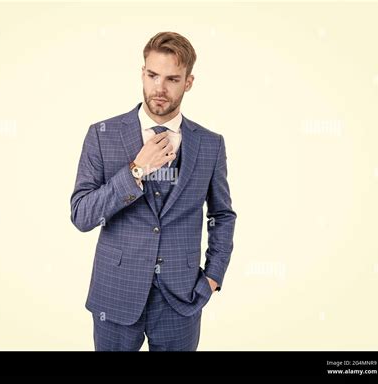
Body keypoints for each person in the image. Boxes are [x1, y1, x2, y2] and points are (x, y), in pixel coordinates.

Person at [70, 31, 236, 351]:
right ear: (142, 73)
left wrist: (213, 277)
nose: (159, 88)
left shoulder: (210, 144)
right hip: (114, 296)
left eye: (172, 79)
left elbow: (222, 214)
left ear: (188, 82)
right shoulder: (102, 135)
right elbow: (81, 214)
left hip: (182, 300)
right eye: (152, 75)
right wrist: (135, 171)